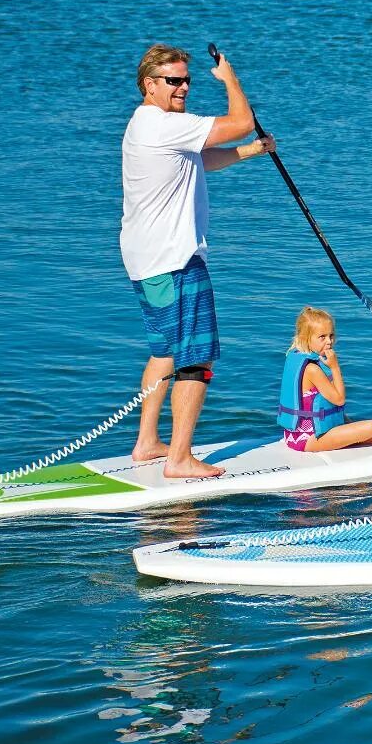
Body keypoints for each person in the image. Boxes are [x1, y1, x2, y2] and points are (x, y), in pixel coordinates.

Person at [121, 43, 274, 478]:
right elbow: (240, 122)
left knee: (166, 351)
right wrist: (231, 79)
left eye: (186, 80)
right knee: (196, 357)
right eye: (174, 81)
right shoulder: (161, 124)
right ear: (150, 85)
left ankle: (148, 442)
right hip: (175, 256)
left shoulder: (149, 124)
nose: (184, 87)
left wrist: (254, 151)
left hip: (146, 258)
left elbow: (202, 160)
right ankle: (180, 459)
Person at [277, 306, 372, 452]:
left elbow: (332, 404)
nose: (329, 341)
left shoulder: (299, 358)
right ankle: (365, 438)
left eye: (331, 335)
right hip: (308, 439)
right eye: (322, 337)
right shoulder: (312, 369)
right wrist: (335, 367)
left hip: (295, 434)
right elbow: (339, 399)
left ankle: (361, 437)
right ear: (306, 338)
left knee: (339, 414)